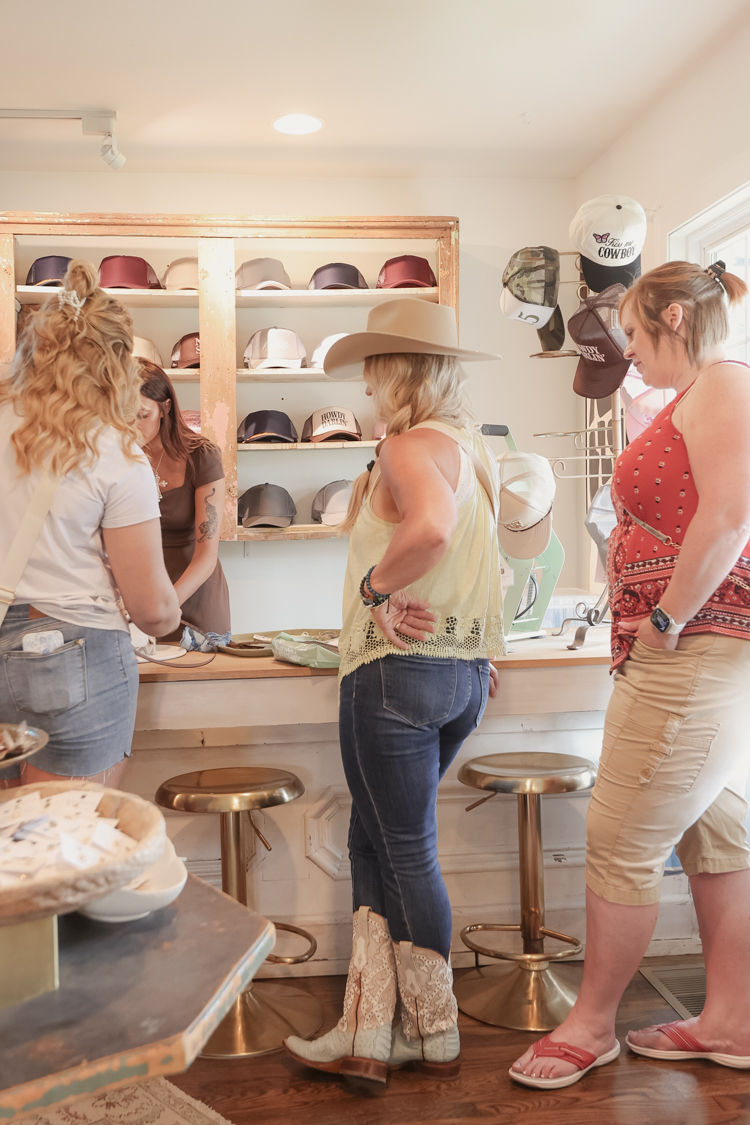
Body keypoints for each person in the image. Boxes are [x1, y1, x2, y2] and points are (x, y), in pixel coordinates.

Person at [511, 259, 750, 1090]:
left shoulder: (723, 383)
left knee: (619, 839)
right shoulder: (699, 394)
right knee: (718, 836)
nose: (632, 354)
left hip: (690, 654)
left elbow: (728, 514)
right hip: (694, 655)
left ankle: (591, 1024)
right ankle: (732, 1019)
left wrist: (665, 619)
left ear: (677, 320)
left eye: (641, 336)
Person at [283, 298, 505, 1087]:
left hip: (392, 670)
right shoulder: (474, 450)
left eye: (377, 376)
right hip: (459, 676)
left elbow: (433, 531)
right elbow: (490, 567)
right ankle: (369, 1031)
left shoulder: (407, 447)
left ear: (399, 371)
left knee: (402, 847)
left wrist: (376, 590)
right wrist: (482, 645)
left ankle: (431, 1032)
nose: (373, 393)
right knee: (376, 841)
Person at [0, 260, 180, 786]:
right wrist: (172, 620)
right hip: (68, 646)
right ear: (118, 363)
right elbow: (152, 609)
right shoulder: (114, 452)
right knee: (64, 851)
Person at [136, 361, 230, 645]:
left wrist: (166, 606)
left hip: (195, 592)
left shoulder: (202, 456)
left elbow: (206, 555)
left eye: (142, 415)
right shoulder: (119, 456)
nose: (132, 426)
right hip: (142, 592)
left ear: (164, 408)